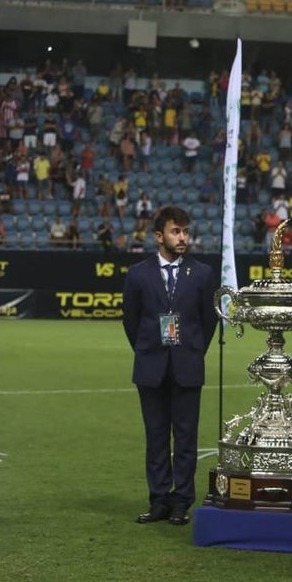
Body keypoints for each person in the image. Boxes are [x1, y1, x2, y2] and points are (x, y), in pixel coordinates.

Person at [121, 206, 217, 526]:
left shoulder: (202, 273)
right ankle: (159, 499)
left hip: (188, 365)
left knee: (186, 438)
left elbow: (208, 322)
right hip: (151, 366)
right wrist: (150, 351)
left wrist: (190, 352)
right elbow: (131, 322)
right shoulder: (138, 274)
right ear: (159, 236)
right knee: (156, 437)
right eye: (176, 232)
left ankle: (182, 501)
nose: (183, 238)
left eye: (186, 232)